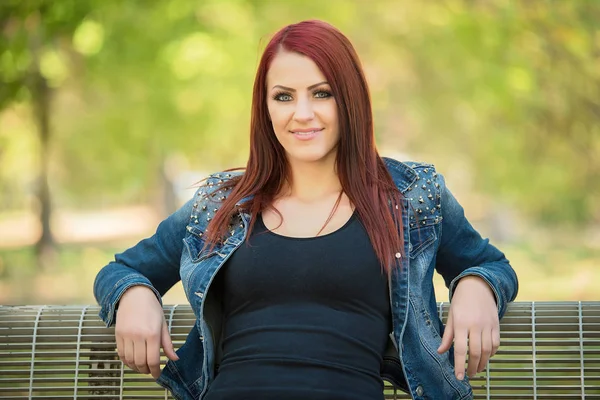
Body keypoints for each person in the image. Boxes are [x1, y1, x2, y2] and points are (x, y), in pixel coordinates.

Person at [94, 19, 518, 400]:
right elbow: (121, 270)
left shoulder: (409, 197)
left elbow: (489, 264)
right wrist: (134, 294)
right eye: (283, 96)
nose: (302, 114)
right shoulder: (222, 205)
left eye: (322, 93)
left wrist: (477, 286)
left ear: (349, 99)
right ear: (265, 107)